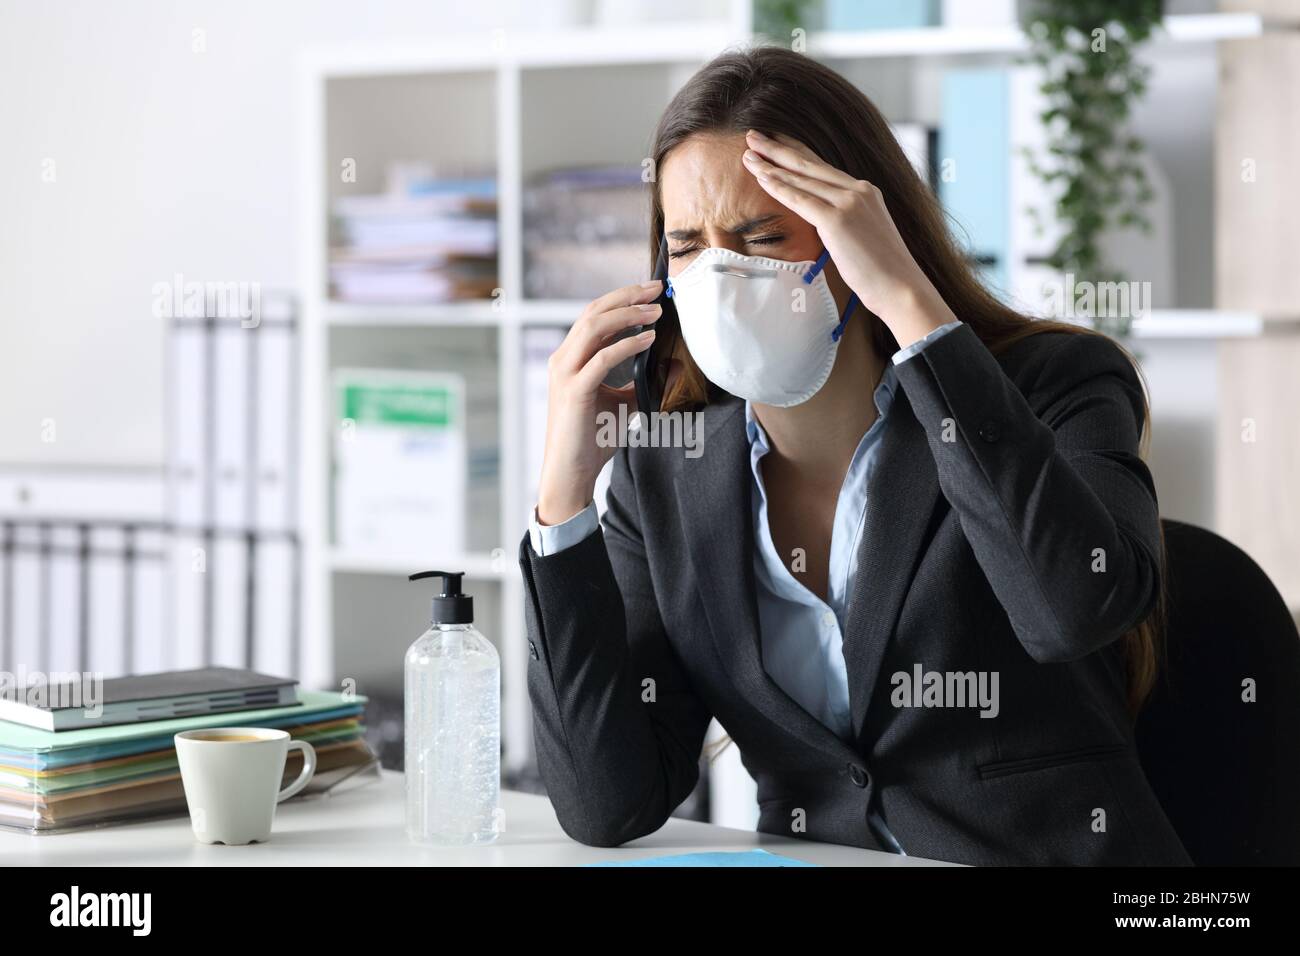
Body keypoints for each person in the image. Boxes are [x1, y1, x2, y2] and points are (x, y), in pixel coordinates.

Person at [519, 46, 1190, 866]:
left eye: (763, 235)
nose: (724, 275)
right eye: (689, 245)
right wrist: (564, 498)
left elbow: (1070, 614)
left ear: (864, 231)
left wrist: (914, 305)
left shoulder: (1055, 385)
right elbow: (606, 803)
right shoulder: (669, 461)